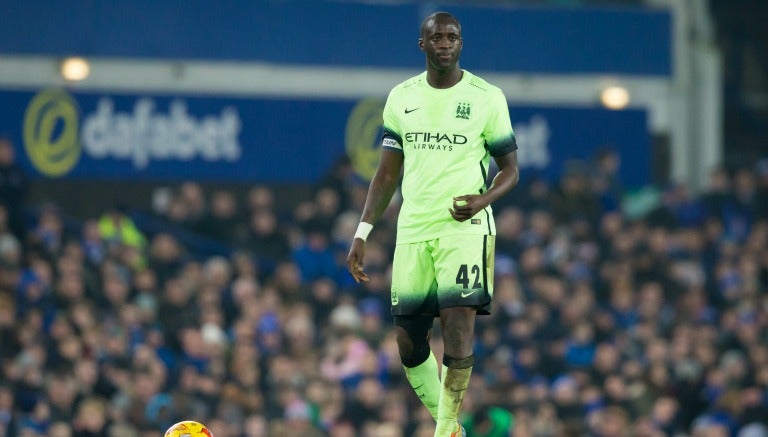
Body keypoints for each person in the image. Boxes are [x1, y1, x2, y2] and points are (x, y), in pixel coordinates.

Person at [346, 11, 519, 437]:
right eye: (436, 37)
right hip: (413, 230)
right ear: (422, 45)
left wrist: (482, 200)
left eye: (452, 37)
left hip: (464, 228)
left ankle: (444, 431)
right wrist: (362, 232)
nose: (445, 43)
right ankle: (453, 426)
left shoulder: (487, 97)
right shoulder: (401, 97)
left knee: (458, 324)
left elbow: (510, 170)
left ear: (462, 43)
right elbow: (386, 175)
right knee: (408, 344)